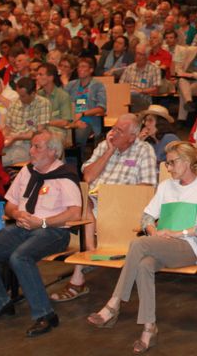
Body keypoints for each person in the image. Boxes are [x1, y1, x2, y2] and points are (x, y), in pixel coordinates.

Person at [86, 141, 197, 353]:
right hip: (160, 243)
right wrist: (152, 231)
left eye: (171, 163)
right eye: (166, 164)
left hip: (187, 248)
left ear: (186, 162)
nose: (168, 168)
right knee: (143, 265)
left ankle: (114, 303)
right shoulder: (166, 186)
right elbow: (147, 216)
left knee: (138, 244)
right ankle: (149, 329)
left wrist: (178, 233)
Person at [0, 130, 82, 337]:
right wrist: (18, 213)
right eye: (31, 146)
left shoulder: (65, 175)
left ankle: (45, 314)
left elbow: (75, 213)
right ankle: (0, 303)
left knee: (20, 257)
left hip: (53, 231)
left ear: (53, 151)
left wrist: (42, 222)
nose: (31, 151)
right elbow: (9, 206)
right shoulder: (27, 171)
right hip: (22, 227)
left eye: (37, 147)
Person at [51, 113, 157, 301]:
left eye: (119, 131)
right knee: (83, 202)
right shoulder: (104, 146)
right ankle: (91, 250)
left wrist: (114, 196)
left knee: (85, 207)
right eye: (113, 128)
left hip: (123, 206)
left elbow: (147, 188)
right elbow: (89, 177)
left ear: (132, 136)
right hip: (94, 203)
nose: (113, 133)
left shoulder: (144, 150)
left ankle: (79, 277)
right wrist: (109, 151)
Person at [2, 77, 52, 166]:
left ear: (33, 94)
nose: (20, 98)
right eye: (19, 95)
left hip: (28, 144)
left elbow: (38, 131)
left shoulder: (43, 103)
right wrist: (2, 138)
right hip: (9, 142)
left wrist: (15, 137)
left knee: (3, 161)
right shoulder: (14, 103)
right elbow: (7, 127)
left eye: (23, 96)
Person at [64, 56, 107, 148]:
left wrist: (82, 114)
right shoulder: (71, 85)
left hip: (88, 120)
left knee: (78, 133)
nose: (80, 69)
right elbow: (63, 101)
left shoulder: (98, 85)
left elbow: (101, 108)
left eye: (83, 66)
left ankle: (79, 157)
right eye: (79, 67)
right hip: (72, 118)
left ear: (91, 69)